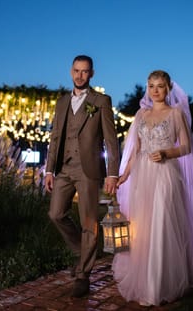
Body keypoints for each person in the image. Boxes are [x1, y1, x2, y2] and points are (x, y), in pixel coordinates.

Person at [112, 70, 193, 307]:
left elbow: (186, 147)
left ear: (168, 89)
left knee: (162, 222)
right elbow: (136, 149)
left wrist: (167, 152)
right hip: (142, 176)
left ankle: (162, 283)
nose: (155, 90)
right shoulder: (140, 115)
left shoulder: (176, 114)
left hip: (166, 173)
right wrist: (124, 175)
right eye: (151, 86)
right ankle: (147, 279)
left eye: (160, 86)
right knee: (144, 226)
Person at [45, 55, 119, 297]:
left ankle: (83, 274)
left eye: (85, 71)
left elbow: (111, 140)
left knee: (89, 222)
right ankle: (82, 250)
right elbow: (56, 137)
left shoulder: (101, 101)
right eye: (76, 71)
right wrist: (48, 169)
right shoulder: (62, 102)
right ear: (70, 71)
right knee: (55, 214)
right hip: (64, 168)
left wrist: (112, 174)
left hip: (89, 170)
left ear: (92, 74)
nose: (80, 75)